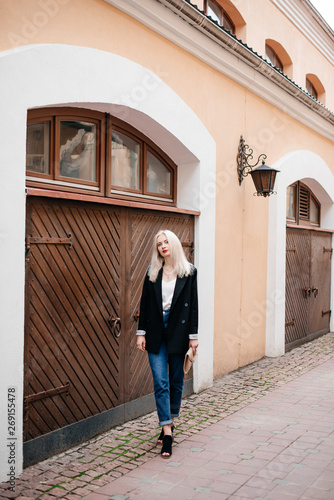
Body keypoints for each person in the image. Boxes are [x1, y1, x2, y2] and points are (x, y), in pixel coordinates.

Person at [136, 229, 199, 458]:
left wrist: (193, 336)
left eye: (166, 242)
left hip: (178, 331)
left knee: (176, 380)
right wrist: (140, 333)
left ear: (173, 244)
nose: (163, 246)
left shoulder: (189, 272)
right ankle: (167, 433)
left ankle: (170, 421)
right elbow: (144, 304)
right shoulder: (152, 272)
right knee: (160, 380)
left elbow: (193, 306)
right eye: (159, 243)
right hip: (155, 331)